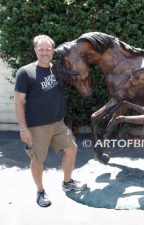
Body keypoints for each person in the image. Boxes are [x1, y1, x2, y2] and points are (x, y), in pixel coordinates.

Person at [14, 35, 87, 207]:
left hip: (58, 123)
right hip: (37, 126)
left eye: (48, 49)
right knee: (38, 159)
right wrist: (23, 128)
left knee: (72, 149)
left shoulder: (57, 69)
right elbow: (18, 102)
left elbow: (76, 71)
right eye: (41, 49)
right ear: (35, 51)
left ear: (53, 51)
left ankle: (67, 183)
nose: (45, 52)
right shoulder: (25, 72)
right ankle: (40, 191)